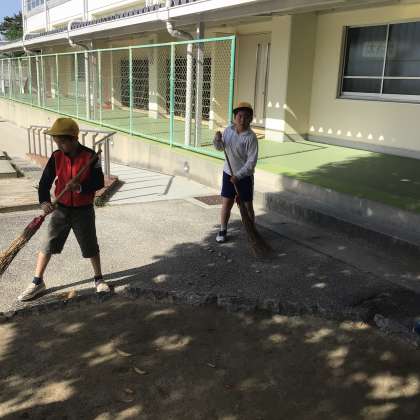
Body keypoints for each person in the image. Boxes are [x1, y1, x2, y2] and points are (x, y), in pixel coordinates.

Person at [18, 117, 110, 301]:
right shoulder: (56, 156)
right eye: (56, 141)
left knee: (90, 245)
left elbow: (99, 182)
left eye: (62, 142)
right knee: (47, 244)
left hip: (83, 210)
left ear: (73, 139)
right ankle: (37, 281)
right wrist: (44, 201)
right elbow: (45, 182)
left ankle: (99, 279)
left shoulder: (90, 156)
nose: (58, 145)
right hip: (61, 209)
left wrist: (80, 187)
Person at [213, 101, 258, 243]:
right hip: (228, 173)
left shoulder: (251, 137)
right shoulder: (228, 131)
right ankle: (223, 229)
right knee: (227, 203)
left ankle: (252, 232)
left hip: (244, 177)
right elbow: (221, 148)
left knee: (247, 206)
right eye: (240, 116)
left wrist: (238, 176)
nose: (242, 120)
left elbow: (251, 163)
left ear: (250, 119)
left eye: (246, 117)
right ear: (235, 117)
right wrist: (217, 140)